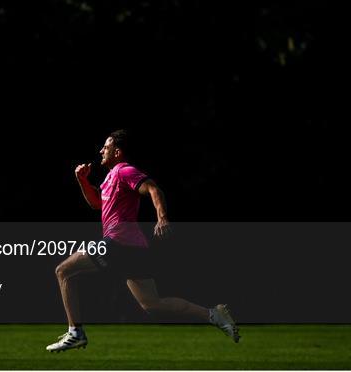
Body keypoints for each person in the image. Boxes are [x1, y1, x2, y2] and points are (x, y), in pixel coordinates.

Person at [46, 129, 240, 352]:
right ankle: (214, 314)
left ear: (117, 152)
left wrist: (162, 217)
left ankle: (75, 333)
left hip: (118, 240)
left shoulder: (124, 171)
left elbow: (153, 188)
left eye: (106, 147)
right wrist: (81, 180)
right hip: (132, 247)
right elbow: (96, 203)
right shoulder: (110, 177)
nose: (101, 150)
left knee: (63, 271)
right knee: (152, 304)